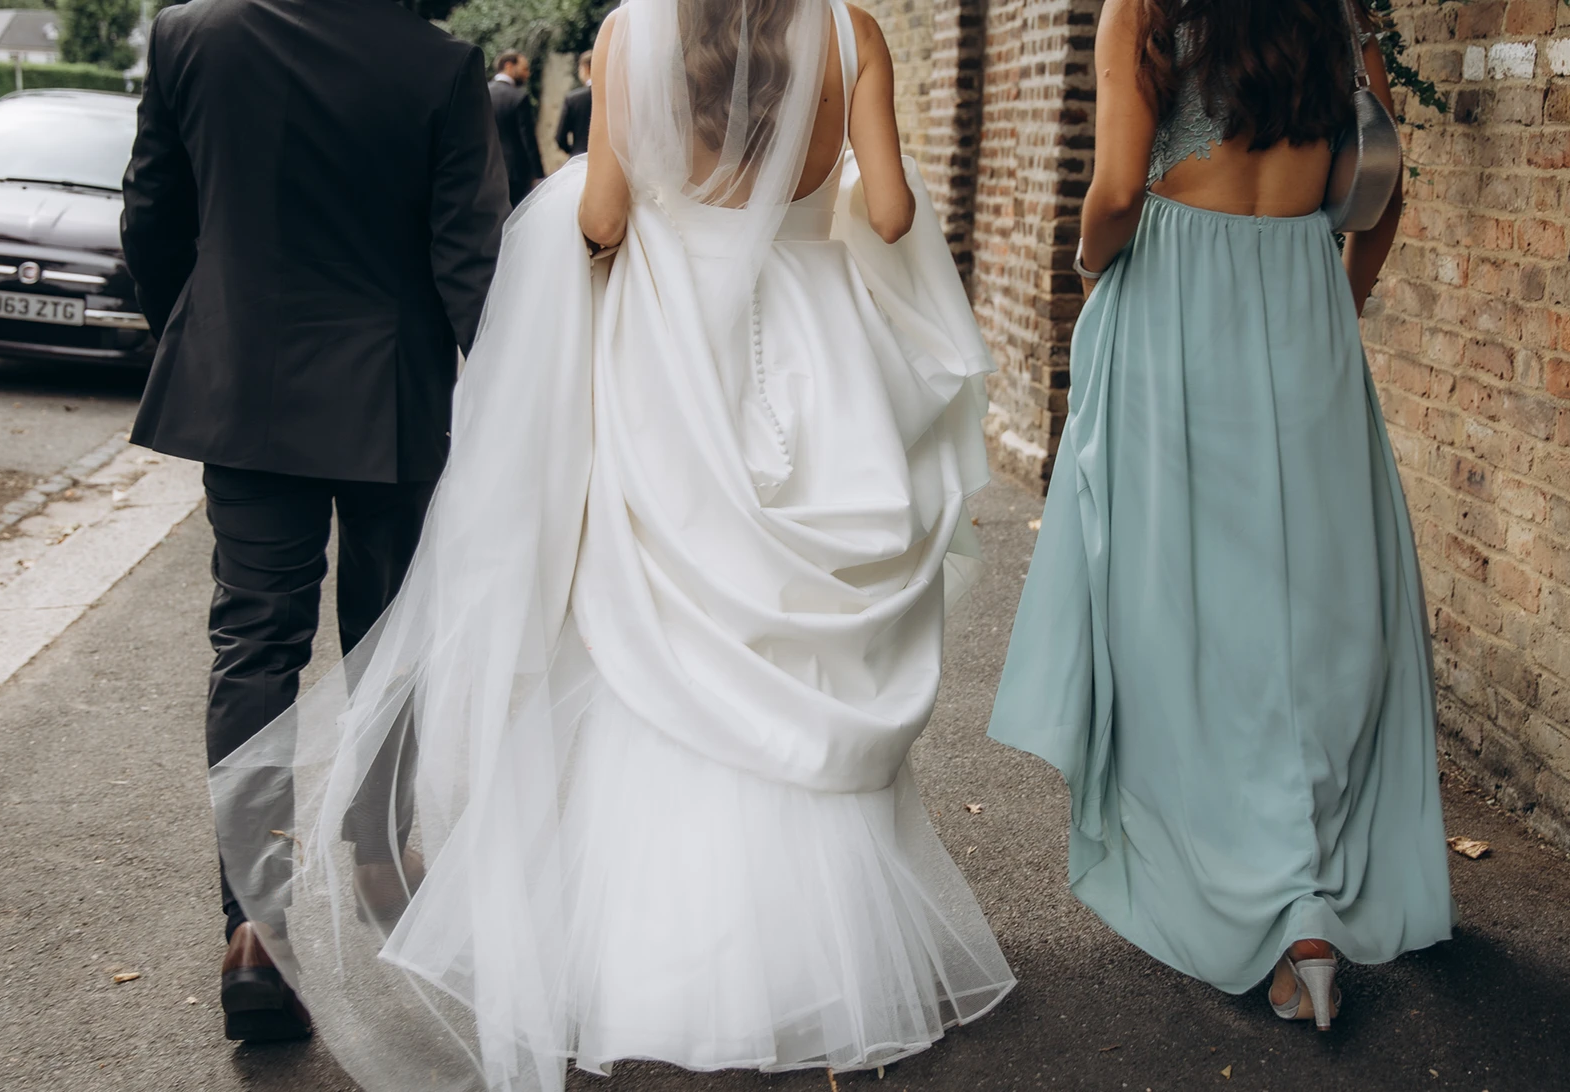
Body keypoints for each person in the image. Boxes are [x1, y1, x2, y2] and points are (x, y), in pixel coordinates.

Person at [208, 0, 1014, 1087]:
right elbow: (892, 209)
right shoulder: (853, 30)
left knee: (665, 625)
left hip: (676, 348)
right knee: (802, 638)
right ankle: (820, 949)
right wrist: (815, 201)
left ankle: (662, 951)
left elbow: (601, 217)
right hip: (818, 347)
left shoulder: (638, 31)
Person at [987, 0, 1455, 1032]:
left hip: (1171, 304)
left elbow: (1113, 193)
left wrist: (1092, 264)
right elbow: (1381, 190)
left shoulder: (1143, 11)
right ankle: (1312, 916)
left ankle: (1238, 885)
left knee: (1181, 609)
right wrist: (1335, 307)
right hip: (1300, 301)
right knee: (1315, 613)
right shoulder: (1334, 16)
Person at [120, 0, 508, 1045]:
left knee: (254, 639)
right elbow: (470, 262)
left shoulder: (189, 34)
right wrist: (516, 404)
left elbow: (152, 214)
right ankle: (380, 855)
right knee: (387, 635)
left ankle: (253, 927)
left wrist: (199, 339)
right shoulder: (438, 66)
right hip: (390, 398)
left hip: (239, 382)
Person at [489, 50, 545, 207]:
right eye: (524, 69)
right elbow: (528, 139)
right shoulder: (519, 96)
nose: (527, 74)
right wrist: (539, 175)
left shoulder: (482, 92)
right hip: (516, 173)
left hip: (486, 170)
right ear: (508, 66)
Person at [554, 49, 592, 158]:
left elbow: (560, 137)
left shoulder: (573, 99)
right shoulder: (613, 97)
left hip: (579, 158)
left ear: (586, 68)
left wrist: (574, 150)